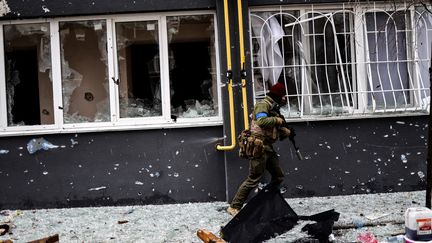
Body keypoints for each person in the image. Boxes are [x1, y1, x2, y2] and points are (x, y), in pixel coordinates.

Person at [227, 82, 292, 217]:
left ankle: (266, 200)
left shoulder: (273, 107)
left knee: (278, 176)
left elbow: (268, 129)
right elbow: (262, 121)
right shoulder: (263, 105)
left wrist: (283, 131)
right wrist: (277, 120)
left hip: (267, 147)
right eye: (283, 95)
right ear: (277, 95)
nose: (284, 98)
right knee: (253, 178)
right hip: (259, 147)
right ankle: (234, 207)